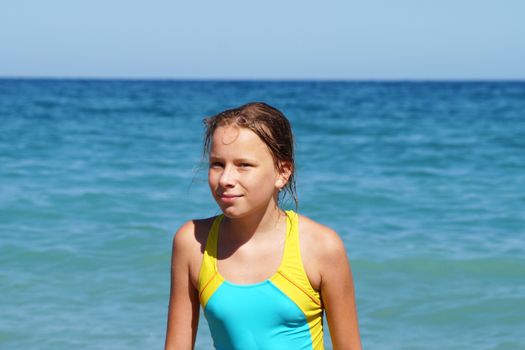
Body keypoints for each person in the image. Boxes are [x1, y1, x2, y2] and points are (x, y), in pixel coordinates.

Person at [165, 102, 361, 350]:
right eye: (217, 164)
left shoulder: (321, 247)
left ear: (282, 172)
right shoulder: (193, 242)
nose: (225, 179)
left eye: (243, 165)